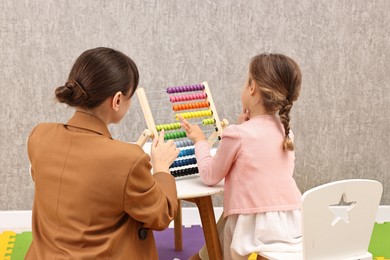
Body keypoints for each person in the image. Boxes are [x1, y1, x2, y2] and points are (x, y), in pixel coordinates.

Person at [26, 47, 179, 259]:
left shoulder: (39, 135)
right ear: (117, 100)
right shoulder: (129, 158)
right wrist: (161, 169)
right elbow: (161, 216)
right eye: (130, 96)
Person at [180, 53, 303, 260]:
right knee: (221, 229)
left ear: (252, 87)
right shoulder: (286, 131)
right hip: (290, 220)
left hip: (248, 223)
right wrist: (244, 125)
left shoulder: (237, 134)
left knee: (226, 228)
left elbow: (210, 176)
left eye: (247, 82)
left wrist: (199, 141)